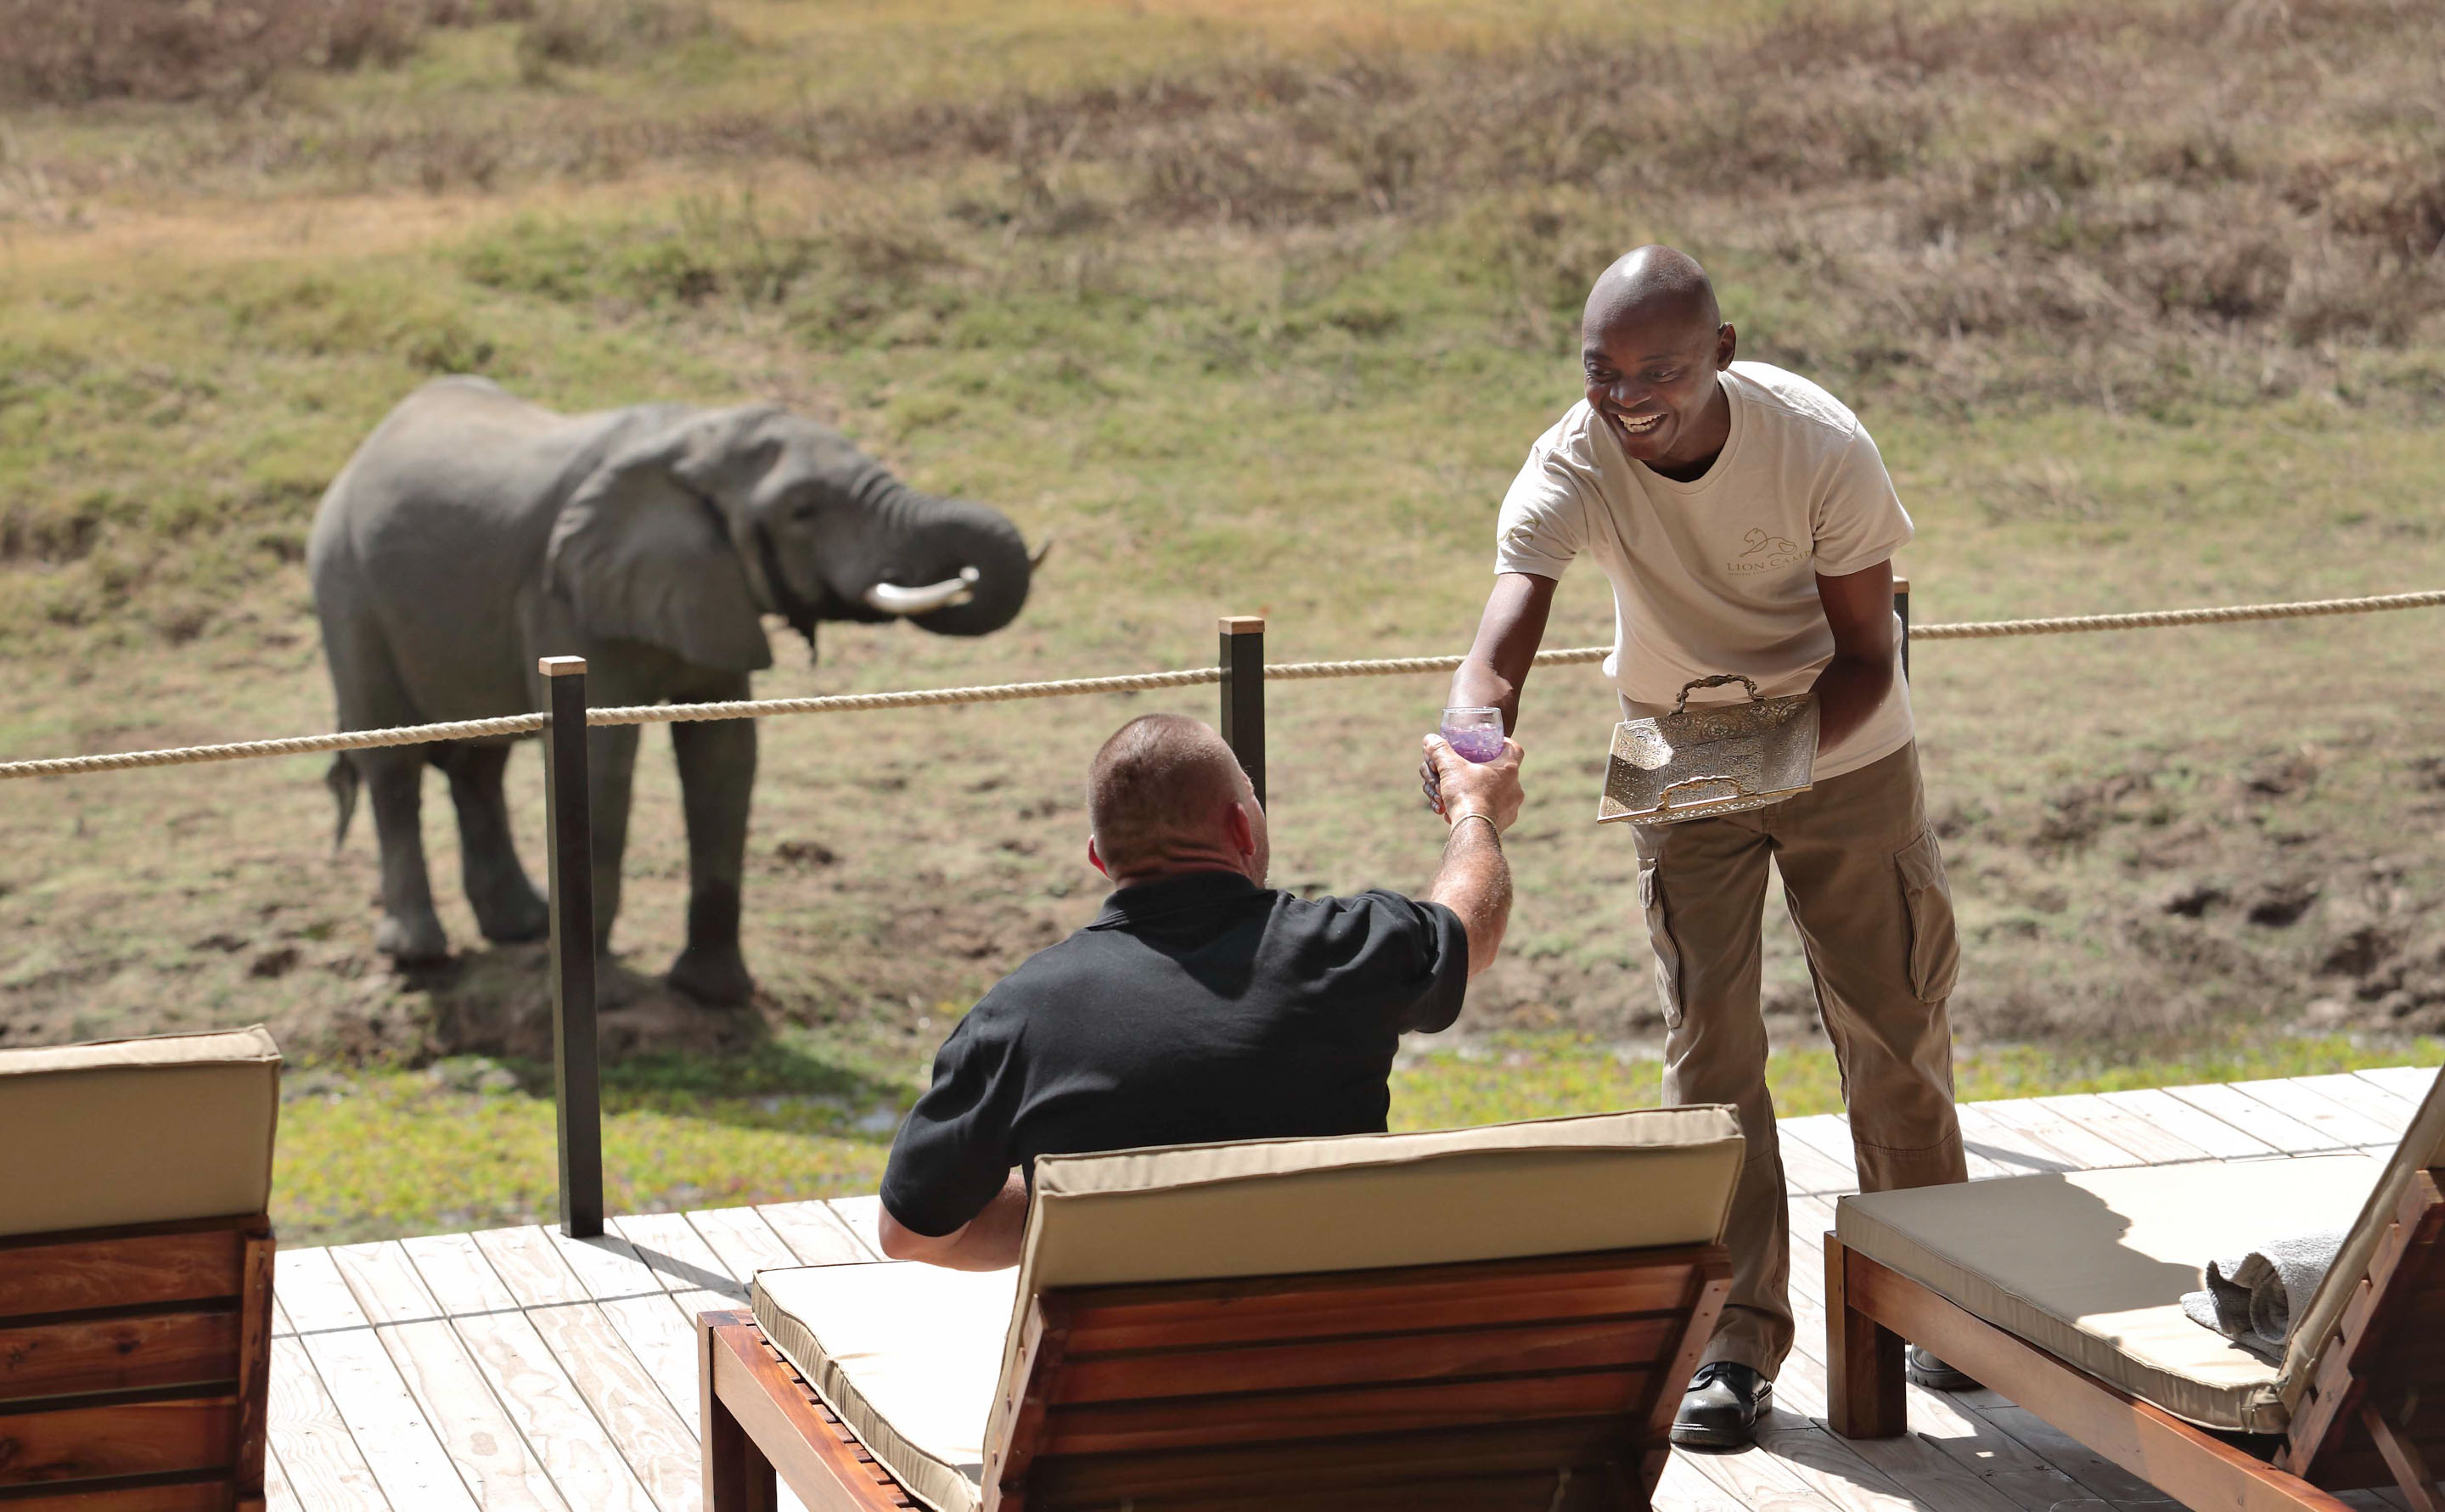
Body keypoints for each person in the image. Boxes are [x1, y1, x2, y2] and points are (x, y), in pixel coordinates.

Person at [1436, 245, 1970, 1449]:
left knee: (1892, 1024)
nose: (1629, 398)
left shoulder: (1818, 443)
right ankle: (1734, 1340)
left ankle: (1944, 1293)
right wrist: (1468, 735)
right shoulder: (1573, 457)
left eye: (1661, 371)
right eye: (1603, 370)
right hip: (1678, 740)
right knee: (1709, 1044)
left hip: (1846, 741)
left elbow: (1870, 657)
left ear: (1722, 352)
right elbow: (1499, 640)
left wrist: (1764, 760)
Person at [877, 712, 1525, 1272]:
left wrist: (1083, 1213)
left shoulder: (1019, 1014)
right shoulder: (1349, 947)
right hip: (1336, 1357)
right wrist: (1476, 810)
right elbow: (1472, 926)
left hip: (1125, 1376)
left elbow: (908, 1232)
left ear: (1100, 859)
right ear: (1241, 828)